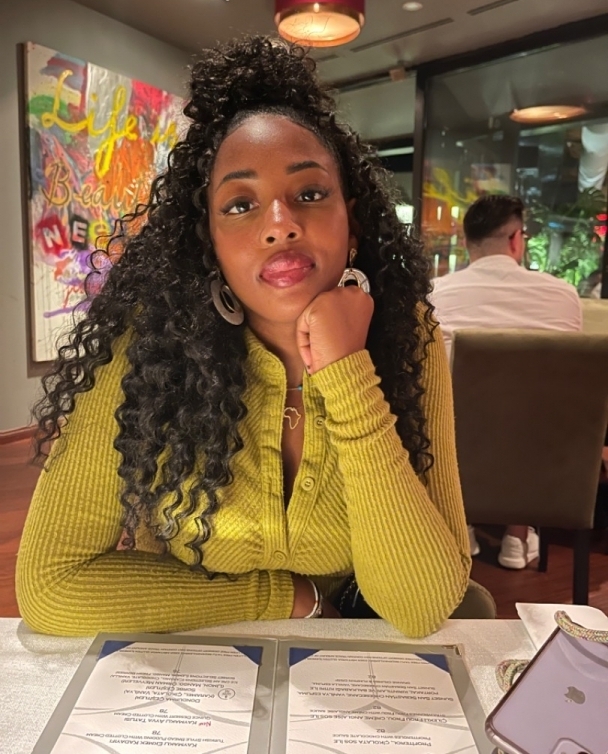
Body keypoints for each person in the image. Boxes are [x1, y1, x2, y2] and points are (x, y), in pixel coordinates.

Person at [16, 36, 470, 639]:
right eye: (239, 204)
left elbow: (420, 606)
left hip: (344, 670)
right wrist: (284, 597)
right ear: (210, 242)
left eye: (310, 194)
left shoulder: (406, 335)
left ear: (353, 223)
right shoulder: (144, 342)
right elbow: (51, 587)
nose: (280, 224)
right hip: (192, 668)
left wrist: (347, 370)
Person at [430, 194, 582, 570]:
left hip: (457, 451)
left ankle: (461, 522)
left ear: (466, 242)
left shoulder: (434, 295)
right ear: (516, 239)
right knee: (536, 413)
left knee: (442, 408)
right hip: (546, 461)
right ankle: (517, 536)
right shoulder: (563, 295)